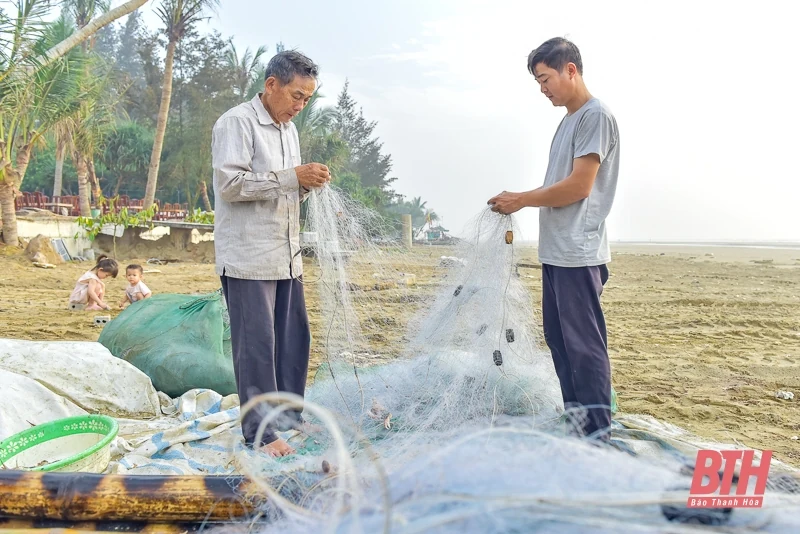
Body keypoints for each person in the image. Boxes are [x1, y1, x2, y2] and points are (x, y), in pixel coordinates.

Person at [487, 37, 620, 441]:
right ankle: (578, 423)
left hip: (579, 253)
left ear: (571, 70)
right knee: (560, 342)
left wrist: (521, 200)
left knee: (584, 347)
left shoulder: (595, 116)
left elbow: (580, 187)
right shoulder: (568, 120)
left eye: (545, 78)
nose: (542, 88)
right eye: (538, 82)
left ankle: (598, 433)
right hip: (558, 253)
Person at [211, 50, 331, 458]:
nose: (299, 106)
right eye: (296, 96)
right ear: (271, 85)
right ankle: (260, 434)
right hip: (248, 257)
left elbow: (281, 188)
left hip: (286, 254)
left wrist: (304, 182)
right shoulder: (236, 123)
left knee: (293, 340)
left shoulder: (288, 131)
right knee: (257, 347)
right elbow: (230, 185)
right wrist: (290, 178)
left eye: (307, 100)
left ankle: (289, 417)